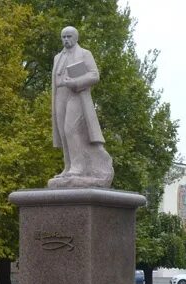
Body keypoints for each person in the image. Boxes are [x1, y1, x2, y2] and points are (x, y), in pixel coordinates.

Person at [49, 26, 113, 188]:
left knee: (71, 129)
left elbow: (94, 75)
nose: (66, 40)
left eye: (69, 36)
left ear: (76, 38)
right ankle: (68, 166)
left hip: (76, 95)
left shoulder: (85, 54)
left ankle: (79, 166)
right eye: (63, 37)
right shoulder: (58, 57)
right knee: (63, 132)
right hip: (60, 95)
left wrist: (76, 82)